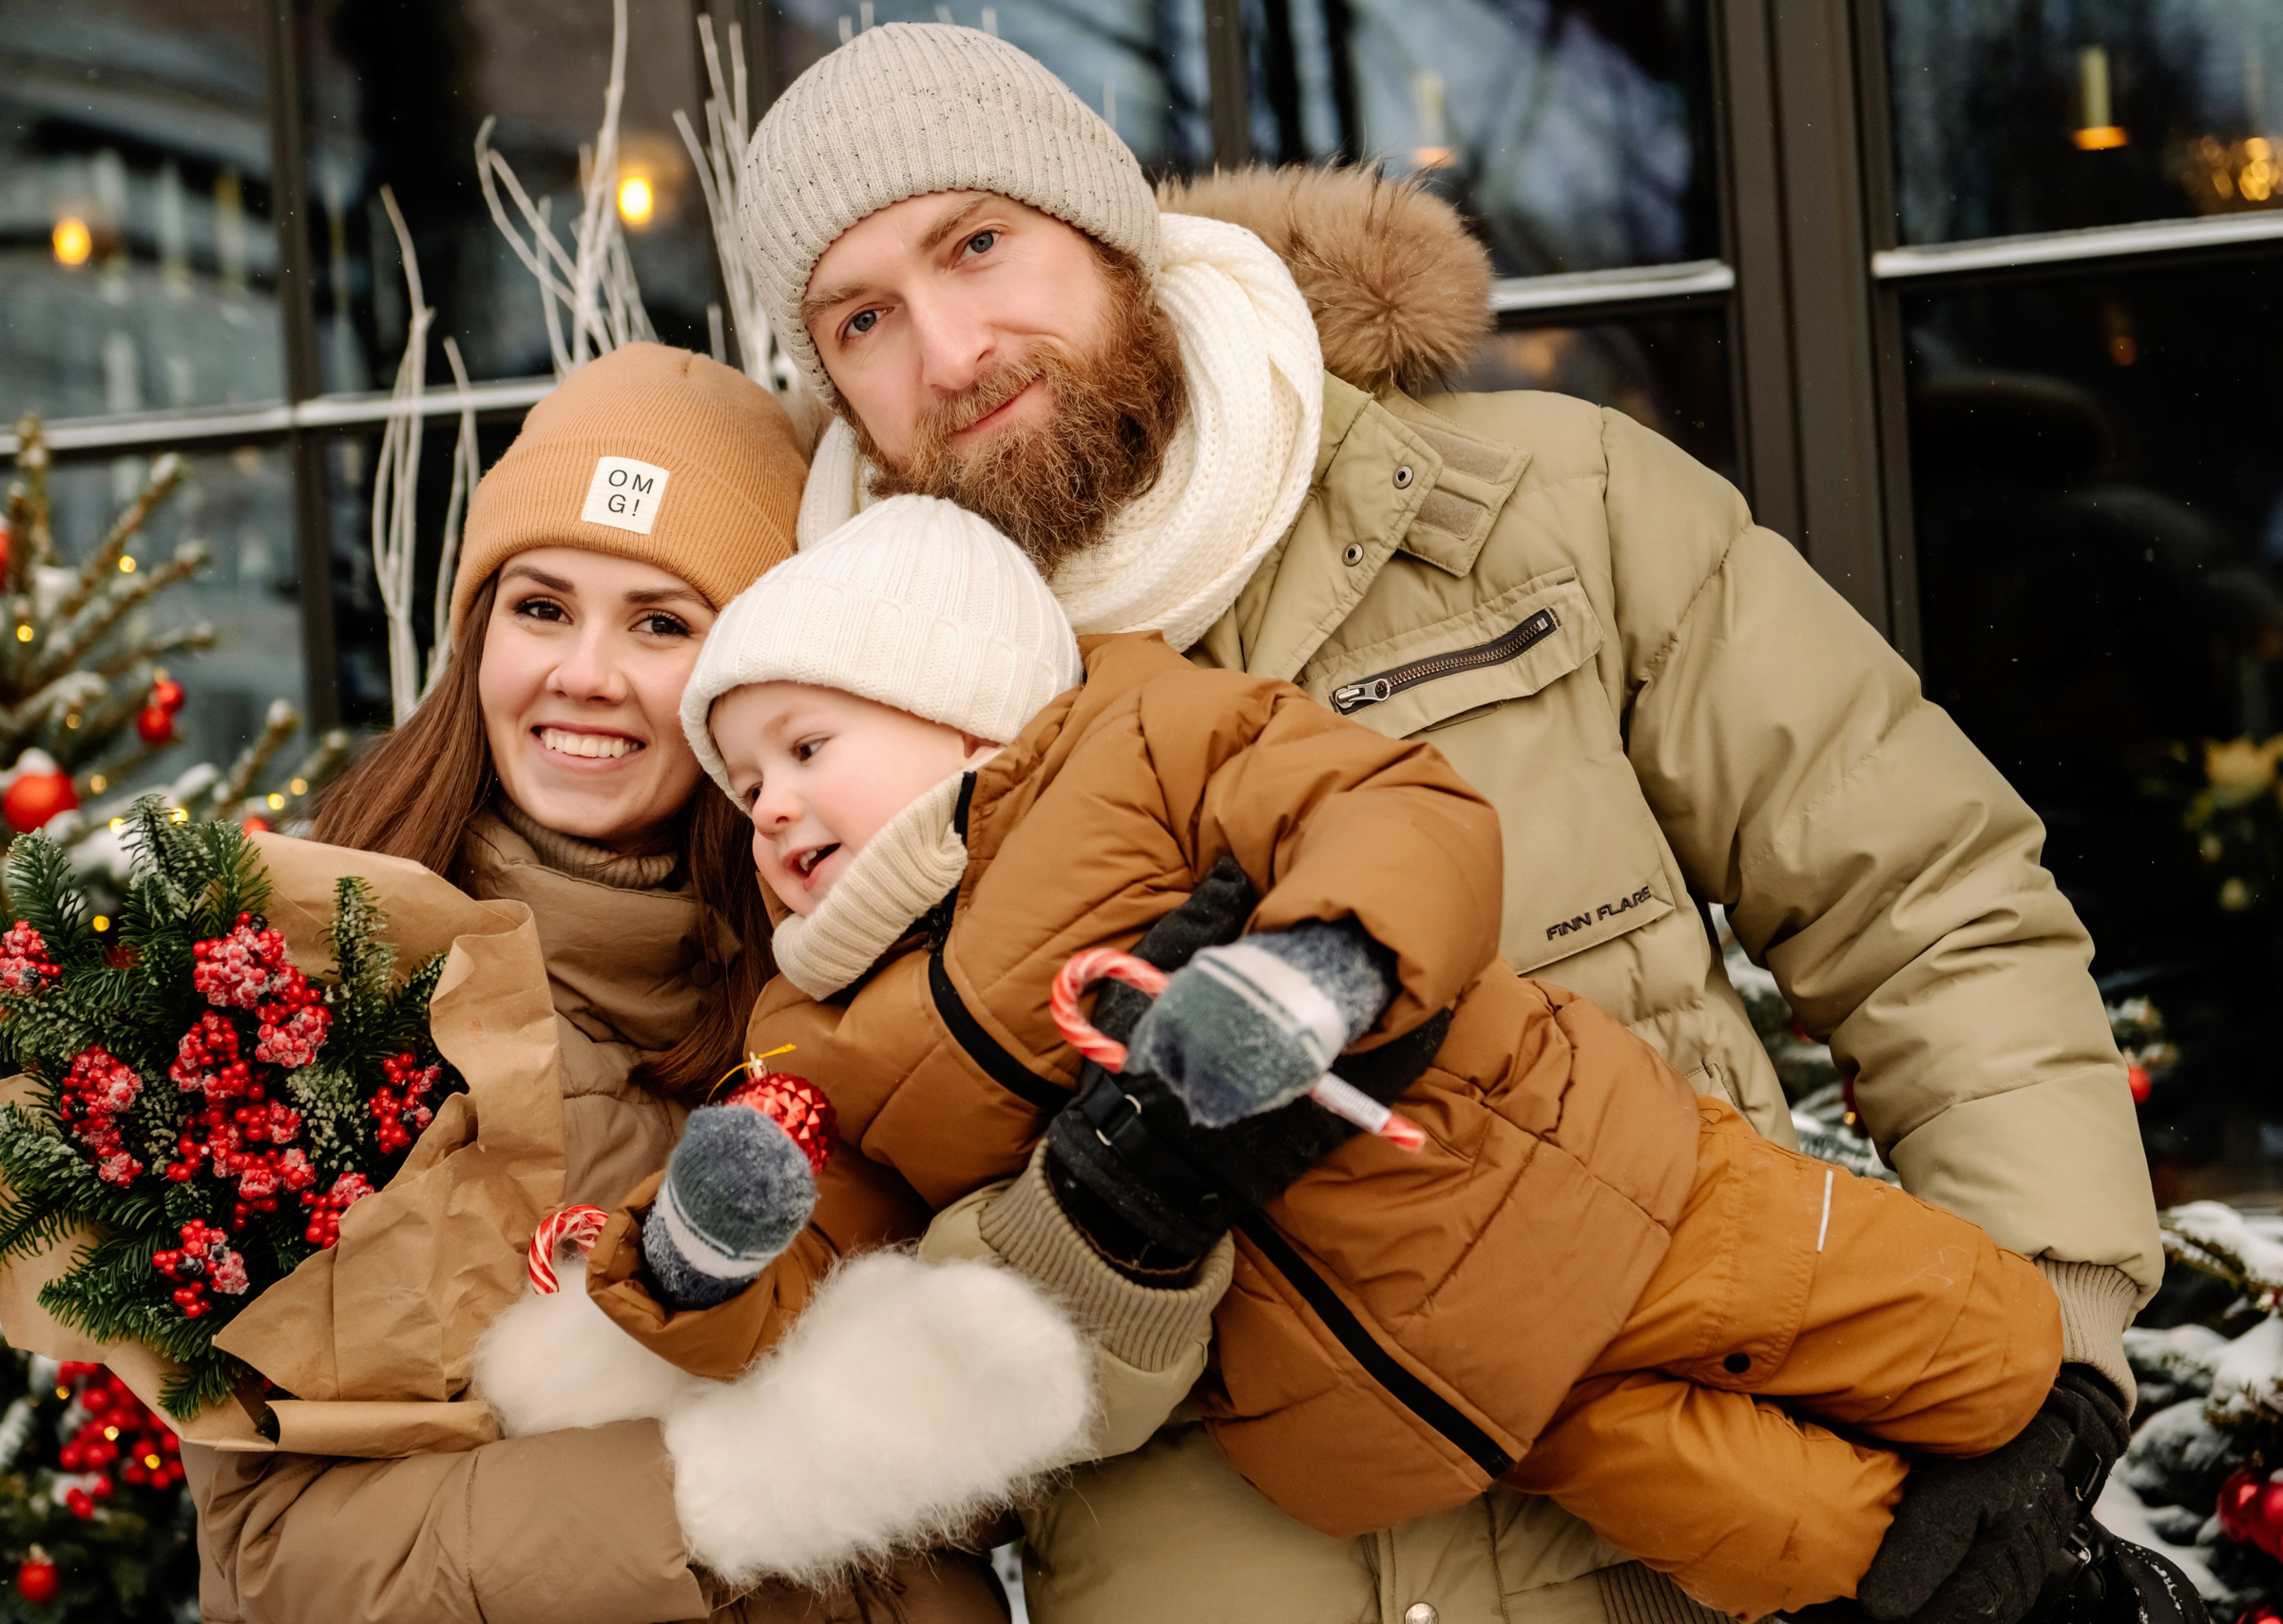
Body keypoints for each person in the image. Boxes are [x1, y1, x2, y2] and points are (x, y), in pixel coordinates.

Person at [730, 24, 2171, 1624]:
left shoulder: (1541, 511)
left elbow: (1920, 898)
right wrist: (1104, 1229)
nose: (949, 349)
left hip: (1689, 1567)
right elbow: (917, 1404)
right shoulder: (837, 774)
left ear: (1111, 230)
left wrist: (2053, 1332)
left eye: (979, 243)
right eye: (863, 317)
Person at [582, 492, 2078, 1620]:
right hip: (1417, 1400)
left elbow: (1387, 809)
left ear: (956, 699)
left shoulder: (1144, 740)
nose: (770, 807)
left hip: (1592, 1184)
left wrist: (1320, 963)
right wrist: (707, 1259)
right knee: (1803, 1540)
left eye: (805, 744)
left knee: (1976, 1338)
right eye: (746, 781)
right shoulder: (819, 1024)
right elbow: (841, 1269)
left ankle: (2059, 1474)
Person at [180, 344, 1017, 1624]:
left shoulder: (872, 972)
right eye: (540, 606)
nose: (584, 671)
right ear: (478, 636)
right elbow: (282, 1555)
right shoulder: (322, 1006)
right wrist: (714, 1490)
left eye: (662, 623)